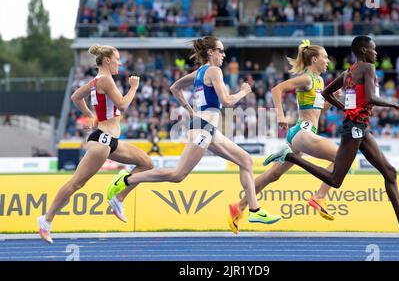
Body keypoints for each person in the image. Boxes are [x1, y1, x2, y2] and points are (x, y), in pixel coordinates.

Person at [264, 36, 399, 241]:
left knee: (390, 172)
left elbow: (327, 93)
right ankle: (291, 157)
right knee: (335, 180)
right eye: (373, 49)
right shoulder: (367, 68)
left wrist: (344, 108)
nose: (376, 53)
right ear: (363, 51)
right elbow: (370, 97)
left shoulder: (349, 71)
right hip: (355, 129)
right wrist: (395, 105)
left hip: (360, 127)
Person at [106, 36, 281, 227]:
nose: (224, 54)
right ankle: (127, 178)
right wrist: (244, 91)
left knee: (245, 160)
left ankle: (250, 210)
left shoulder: (200, 72)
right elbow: (227, 102)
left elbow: (175, 88)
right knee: (177, 175)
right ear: (210, 52)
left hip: (207, 129)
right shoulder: (214, 71)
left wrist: (191, 112)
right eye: (220, 50)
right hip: (203, 130)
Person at [37, 44, 155, 244]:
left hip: (111, 141)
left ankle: (118, 198)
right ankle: (46, 220)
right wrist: (134, 87)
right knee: (77, 183)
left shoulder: (96, 81)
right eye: (117, 59)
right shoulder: (105, 80)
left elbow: (76, 97)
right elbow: (123, 105)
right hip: (101, 141)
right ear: (107, 60)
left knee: (146, 164)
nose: (120, 63)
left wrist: (90, 116)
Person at [229, 39, 341, 234]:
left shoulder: (320, 81)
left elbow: (318, 109)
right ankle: (319, 197)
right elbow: (276, 89)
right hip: (302, 132)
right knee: (341, 158)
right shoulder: (306, 79)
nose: (328, 61)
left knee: (273, 175)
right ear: (314, 59)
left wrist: (333, 100)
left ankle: (238, 207)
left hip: (303, 134)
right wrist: (280, 115)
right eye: (325, 57)